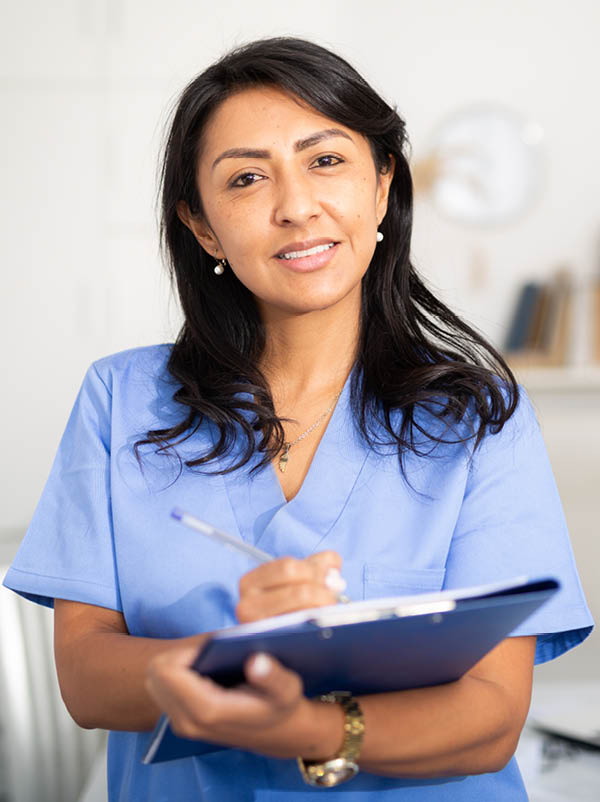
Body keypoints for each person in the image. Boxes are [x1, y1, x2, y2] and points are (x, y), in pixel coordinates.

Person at [3, 36, 593, 801]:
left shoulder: (478, 420)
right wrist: (244, 655)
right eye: (246, 178)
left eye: (326, 161)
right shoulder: (123, 400)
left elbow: (491, 717)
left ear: (382, 187)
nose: (295, 207)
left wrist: (310, 727)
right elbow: (85, 679)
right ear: (204, 226)